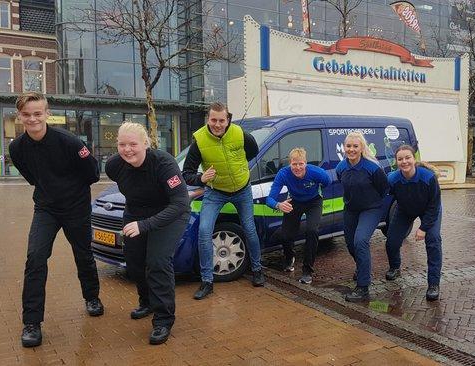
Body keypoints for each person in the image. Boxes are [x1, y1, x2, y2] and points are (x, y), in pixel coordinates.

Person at [9, 92, 103, 348]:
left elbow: (92, 173)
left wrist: (71, 191)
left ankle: (92, 297)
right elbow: (32, 177)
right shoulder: (16, 148)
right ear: (20, 116)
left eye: (37, 113)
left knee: (83, 254)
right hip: (46, 209)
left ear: (47, 113)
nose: (32, 119)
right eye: (27, 114)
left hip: (76, 208)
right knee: (35, 258)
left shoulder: (70, 142)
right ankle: (31, 322)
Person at [105, 122, 190, 345]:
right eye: (122, 144)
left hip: (169, 213)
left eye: (133, 144)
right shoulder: (114, 166)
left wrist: (145, 225)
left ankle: (163, 319)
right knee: (134, 262)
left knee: (157, 261)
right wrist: (138, 221)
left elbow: (180, 203)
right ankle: (147, 302)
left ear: (146, 143)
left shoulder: (164, 163)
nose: (127, 149)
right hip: (135, 212)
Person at [182, 102, 264, 300]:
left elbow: (253, 152)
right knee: (204, 231)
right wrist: (201, 179)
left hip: (242, 189)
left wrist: (240, 168)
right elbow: (187, 174)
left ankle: (257, 270)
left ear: (228, 120)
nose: (217, 124)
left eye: (221, 120)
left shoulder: (241, 134)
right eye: (213, 120)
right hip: (215, 191)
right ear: (208, 119)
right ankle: (207, 281)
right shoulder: (199, 140)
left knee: (249, 228)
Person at [384, 145, 443, 301]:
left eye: (407, 158)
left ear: (414, 158)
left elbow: (434, 205)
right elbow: (382, 193)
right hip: (405, 210)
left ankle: (433, 284)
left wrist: (423, 228)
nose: (404, 161)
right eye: (400, 159)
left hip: (429, 210)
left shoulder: (428, 177)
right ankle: (395, 267)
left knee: (433, 241)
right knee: (392, 241)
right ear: (396, 161)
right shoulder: (393, 178)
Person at [335, 131, 389, 302]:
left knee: (360, 241)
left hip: (371, 209)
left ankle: (363, 287)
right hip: (351, 210)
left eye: (355, 146)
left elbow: (383, 189)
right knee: (350, 244)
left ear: (362, 148)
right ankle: (361, 267)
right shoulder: (341, 167)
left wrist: (373, 204)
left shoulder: (372, 168)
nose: (351, 149)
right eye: (348, 146)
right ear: (344, 147)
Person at [266, 147, 332, 284]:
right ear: (290, 163)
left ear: (305, 163)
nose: (297, 168)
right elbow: (269, 199)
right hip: (294, 201)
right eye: (294, 164)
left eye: (301, 164)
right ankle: (290, 257)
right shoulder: (283, 174)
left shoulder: (316, 172)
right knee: (285, 235)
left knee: (312, 230)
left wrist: (316, 189)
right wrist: (279, 205)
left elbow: (327, 182)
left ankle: (307, 271)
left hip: (314, 201)